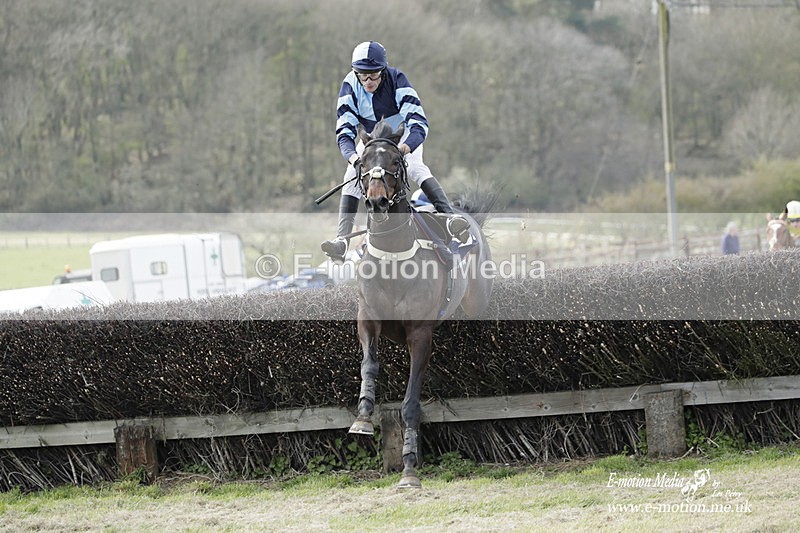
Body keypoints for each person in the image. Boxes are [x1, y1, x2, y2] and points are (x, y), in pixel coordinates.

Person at [321, 41, 469, 262]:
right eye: (363, 75)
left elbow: (419, 124)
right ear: (355, 73)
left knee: (416, 168)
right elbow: (344, 132)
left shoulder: (397, 79)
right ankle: (342, 241)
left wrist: (403, 149)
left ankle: (449, 218)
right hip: (373, 138)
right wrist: (354, 159)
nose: (368, 81)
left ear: (383, 71)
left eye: (374, 75)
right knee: (351, 176)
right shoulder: (349, 85)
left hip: (402, 133)